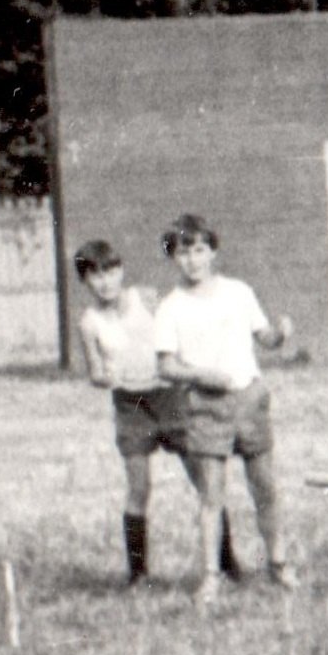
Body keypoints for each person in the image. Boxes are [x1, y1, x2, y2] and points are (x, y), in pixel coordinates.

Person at [74, 238, 240, 587]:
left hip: (170, 396)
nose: (105, 281)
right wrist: (108, 378)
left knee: (205, 481)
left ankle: (227, 564)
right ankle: (138, 576)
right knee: (139, 488)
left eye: (111, 271)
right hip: (131, 405)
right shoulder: (89, 322)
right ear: (86, 281)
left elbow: (178, 332)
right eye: (95, 275)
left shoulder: (145, 298)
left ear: (121, 271)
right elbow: (95, 373)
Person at [152, 215, 298, 606]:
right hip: (205, 406)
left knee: (265, 488)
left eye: (200, 250)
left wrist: (281, 334)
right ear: (174, 258)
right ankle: (211, 576)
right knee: (211, 495)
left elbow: (264, 337)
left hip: (248, 398)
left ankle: (279, 564)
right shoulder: (171, 307)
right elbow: (165, 367)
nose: (193, 260)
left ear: (213, 251)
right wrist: (201, 375)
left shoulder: (238, 292)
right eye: (183, 252)